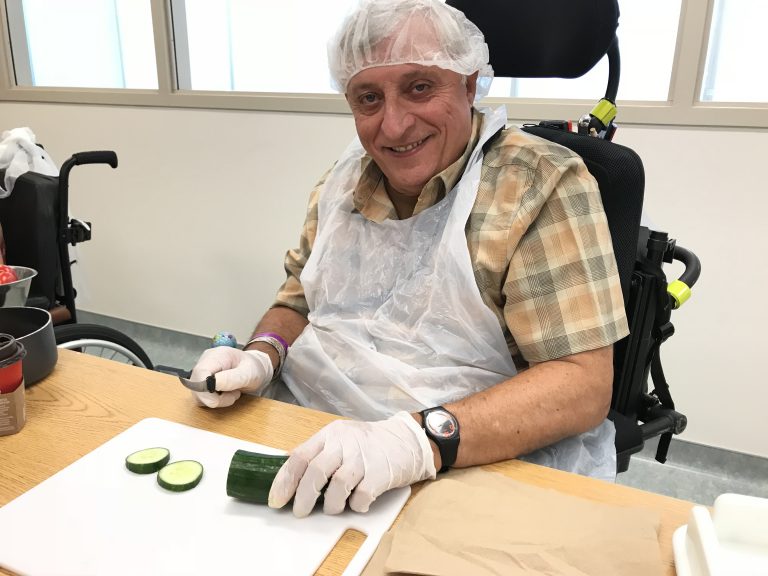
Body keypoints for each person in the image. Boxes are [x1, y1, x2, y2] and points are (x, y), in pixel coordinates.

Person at [188, 0, 629, 518]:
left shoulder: (537, 184)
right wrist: (261, 353)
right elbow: (297, 300)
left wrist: (415, 441)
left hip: (464, 461)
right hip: (313, 436)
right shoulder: (343, 182)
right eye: (368, 98)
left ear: (469, 85)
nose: (393, 126)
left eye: (420, 87)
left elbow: (581, 385)